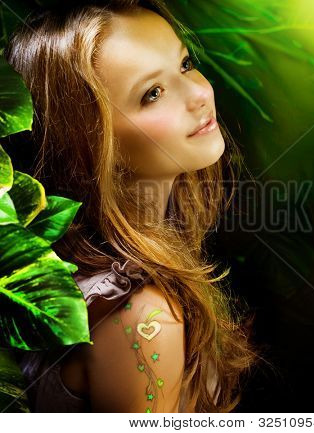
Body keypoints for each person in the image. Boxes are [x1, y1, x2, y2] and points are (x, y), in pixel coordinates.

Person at [5, 0, 263, 413]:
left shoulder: (77, 270)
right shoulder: (141, 318)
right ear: (86, 144)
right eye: (152, 94)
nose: (199, 93)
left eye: (184, 63)